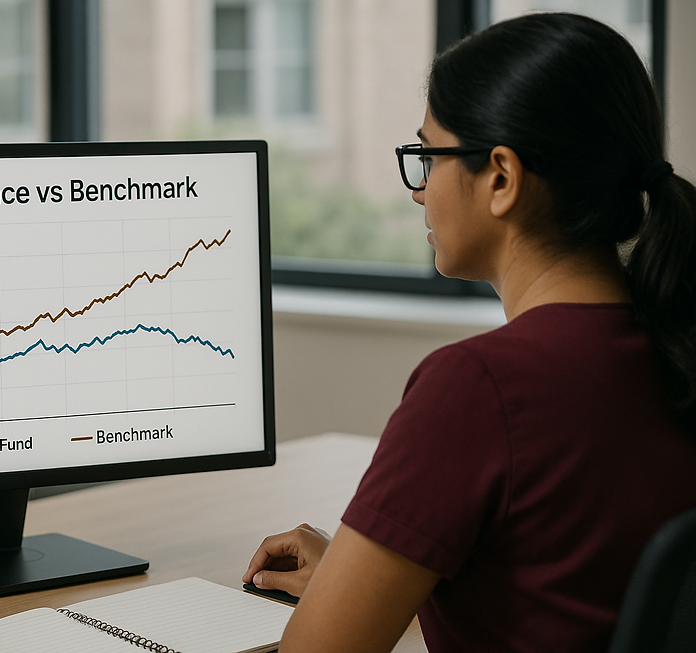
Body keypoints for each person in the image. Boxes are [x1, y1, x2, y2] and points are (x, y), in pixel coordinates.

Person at [243, 12, 696, 653]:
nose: (419, 193)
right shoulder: (675, 345)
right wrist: (375, 579)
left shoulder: (478, 388)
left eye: (428, 156)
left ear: (502, 179)